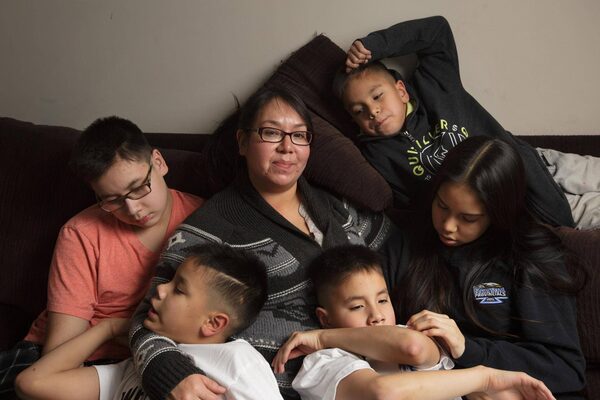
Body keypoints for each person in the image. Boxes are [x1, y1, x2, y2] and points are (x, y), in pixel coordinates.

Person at [128, 87, 394, 400]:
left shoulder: (335, 207)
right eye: (271, 133)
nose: (287, 147)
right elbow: (146, 316)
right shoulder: (211, 227)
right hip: (280, 388)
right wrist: (170, 374)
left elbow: (401, 253)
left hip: (375, 370)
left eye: (299, 136)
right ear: (243, 142)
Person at [0, 116, 203, 399]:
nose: (133, 209)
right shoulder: (80, 234)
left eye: (138, 187)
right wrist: (113, 329)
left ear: (158, 162)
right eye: (113, 200)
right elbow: (59, 351)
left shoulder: (203, 220)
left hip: (141, 357)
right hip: (61, 358)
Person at [334, 15, 600, 229]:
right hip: (511, 204)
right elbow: (413, 206)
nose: (373, 111)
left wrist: (374, 45)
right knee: (575, 218)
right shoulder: (377, 155)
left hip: (545, 165)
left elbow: (437, 30)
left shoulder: (436, 86)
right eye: (359, 111)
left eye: (378, 96)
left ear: (401, 91)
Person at [385, 136, 585, 399]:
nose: (448, 225)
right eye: (442, 206)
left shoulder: (530, 257)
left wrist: (467, 349)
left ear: (498, 213)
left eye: (468, 218)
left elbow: (566, 368)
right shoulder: (405, 244)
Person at [272, 244, 555, 400]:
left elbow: (413, 347)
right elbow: (382, 393)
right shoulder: (324, 361)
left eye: (383, 300)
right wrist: (486, 377)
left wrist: (323, 336)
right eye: (358, 306)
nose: (377, 315)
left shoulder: (406, 333)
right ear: (325, 318)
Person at [15, 243, 283, 400]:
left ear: (213, 323)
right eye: (170, 281)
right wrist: (107, 328)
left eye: (179, 289)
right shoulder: (139, 365)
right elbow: (31, 383)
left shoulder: (237, 361)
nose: (161, 289)